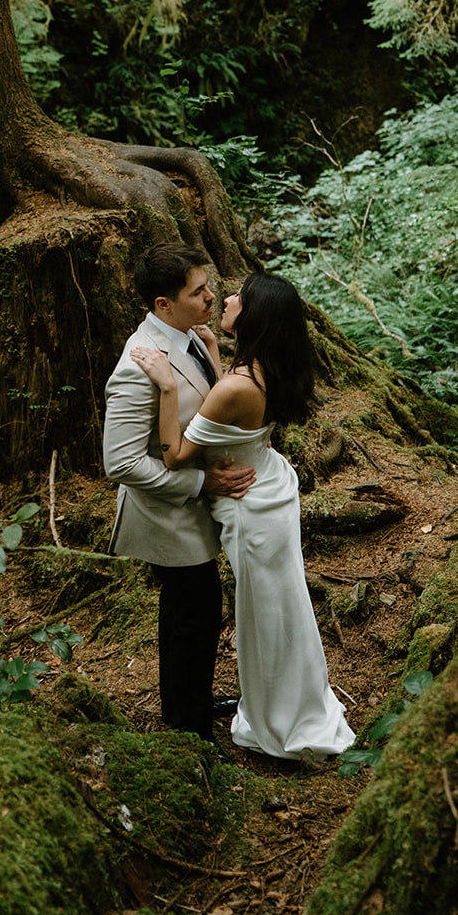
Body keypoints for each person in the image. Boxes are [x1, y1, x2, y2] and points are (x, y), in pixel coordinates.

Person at [130, 271, 354, 761]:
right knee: (284, 607)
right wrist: (212, 349)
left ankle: (286, 723)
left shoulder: (238, 385)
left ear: (254, 317)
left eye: (239, 297)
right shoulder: (267, 365)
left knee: (268, 617)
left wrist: (167, 386)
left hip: (251, 507)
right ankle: (286, 705)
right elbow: (230, 404)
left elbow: (175, 454)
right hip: (268, 484)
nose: (226, 298)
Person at [103, 242, 255, 742]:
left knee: (189, 611)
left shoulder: (191, 334)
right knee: (196, 613)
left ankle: (186, 701)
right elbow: (121, 462)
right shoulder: (137, 366)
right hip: (168, 512)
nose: (211, 297)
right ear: (162, 305)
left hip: (193, 506)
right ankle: (188, 728)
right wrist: (199, 482)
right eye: (198, 291)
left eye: (208, 286)